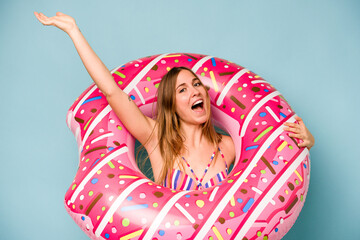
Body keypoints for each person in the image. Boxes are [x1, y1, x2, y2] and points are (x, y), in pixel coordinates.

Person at [34, 12, 315, 190]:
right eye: (182, 90)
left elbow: (276, 152)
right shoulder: (157, 140)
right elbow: (112, 92)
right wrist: (74, 32)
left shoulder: (226, 147)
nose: (195, 91)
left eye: (196, 84)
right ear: (171, 106)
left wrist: (307, 140)